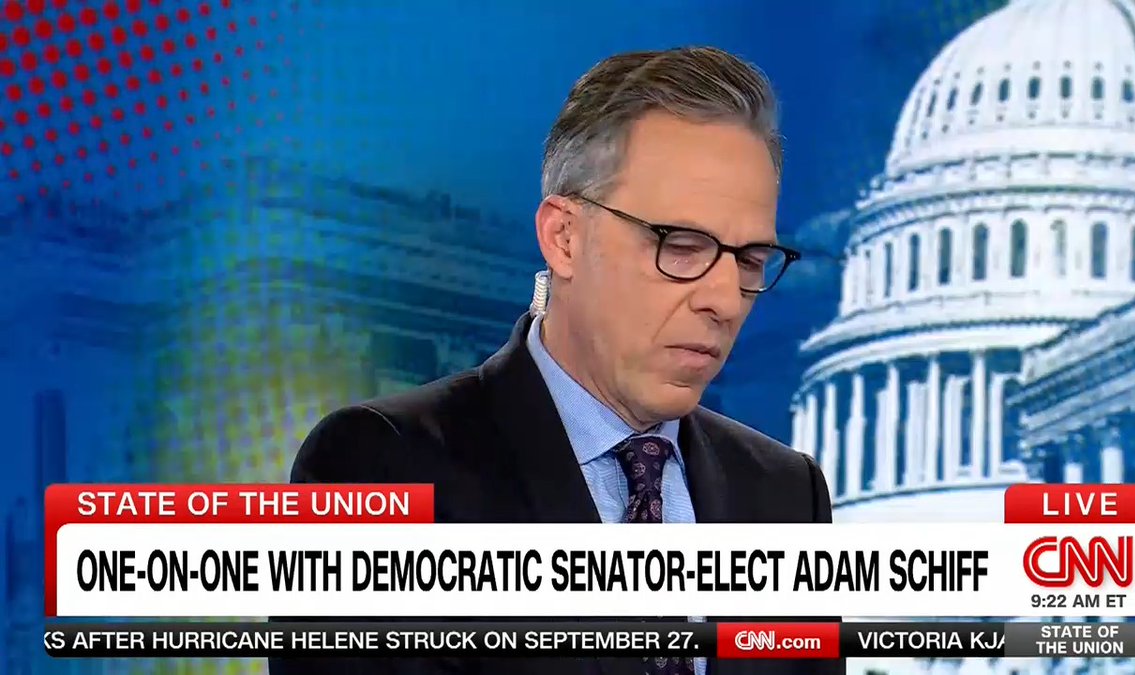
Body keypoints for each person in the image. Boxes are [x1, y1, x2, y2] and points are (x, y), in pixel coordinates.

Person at [271, 46, 843, 675]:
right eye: (682, 246)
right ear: (564, 238)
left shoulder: (787, 497)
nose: (725, 300)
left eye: (750, 260)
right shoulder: (378, 467)